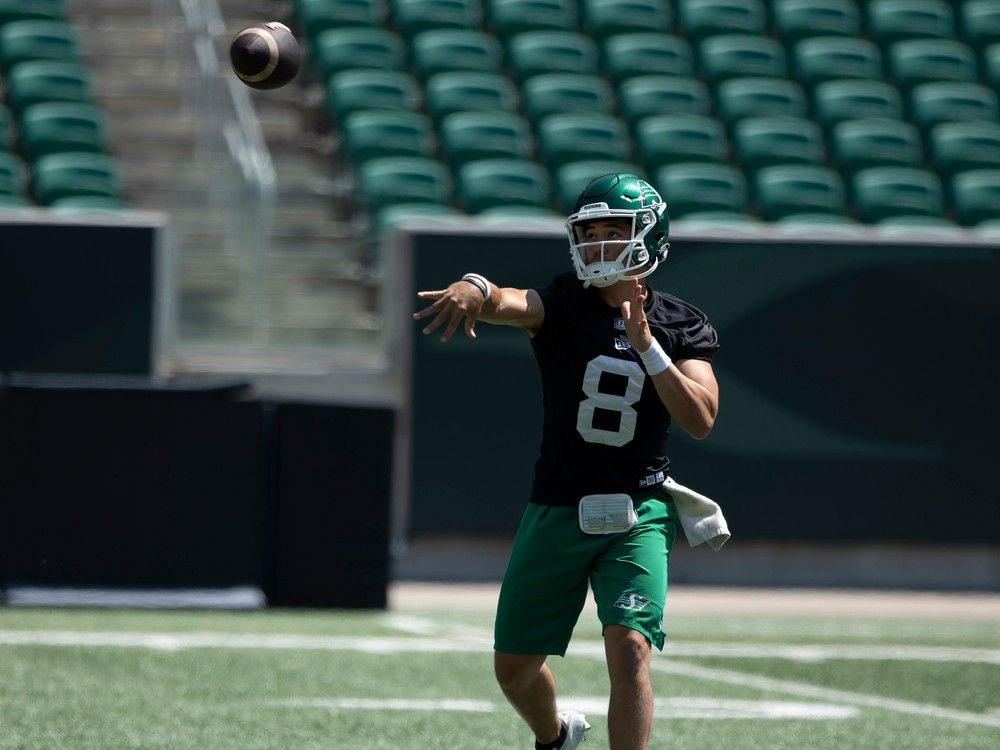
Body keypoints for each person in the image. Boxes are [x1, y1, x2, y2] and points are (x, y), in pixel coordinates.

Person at [412, 173, 720, 750]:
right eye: (592, 232)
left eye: (615, 231)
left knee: (630, 648)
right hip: (557, 505)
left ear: (650, 237)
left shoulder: (681, 324)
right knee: (513, 669)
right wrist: (474, 287)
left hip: (639, 508)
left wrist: (649, 345)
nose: (600, 244)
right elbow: (506, 301)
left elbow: (701, 417)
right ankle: (555, 737)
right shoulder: (561, 305)